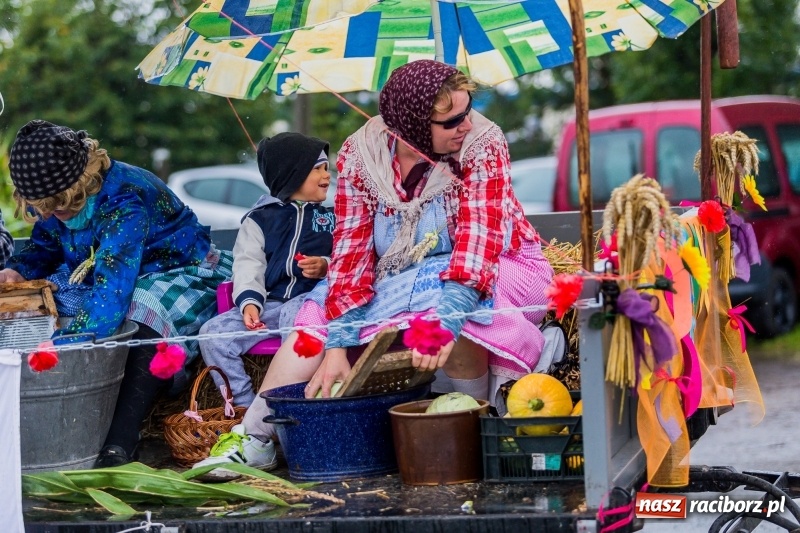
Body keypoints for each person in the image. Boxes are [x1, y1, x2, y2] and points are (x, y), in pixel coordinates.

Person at [193, 59, 554, 476]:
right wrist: (337, 346)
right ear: (413, 125)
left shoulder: (483, 145)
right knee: (318, 311)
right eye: (452, 121)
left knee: (451, 304)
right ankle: (255, 437)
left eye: (467, 111)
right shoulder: (360, 156)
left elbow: (477, 245)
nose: (466, 125)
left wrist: (446, 324)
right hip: (400, 272)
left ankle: (481, 420)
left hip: (500, 262)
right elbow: (351, 255)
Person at [0, 120, 232, 467]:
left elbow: (112, 292)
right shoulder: (54, 194)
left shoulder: (123, 201)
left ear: (78, 187)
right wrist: (19, 270)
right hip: (107, 266)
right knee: (53, 299)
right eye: (42, 210)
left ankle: (121, 438)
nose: (49, 215)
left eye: (57, 209)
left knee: (142, 313)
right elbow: (46, 245)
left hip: (177, 269)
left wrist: (59, 348)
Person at [199, 132, 334, 411]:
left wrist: (325, 265)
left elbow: (348, 258)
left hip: (313, 304)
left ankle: (293, 402)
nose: (326, 175)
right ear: (292, 175)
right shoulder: (260, 219)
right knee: (212, 334)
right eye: (317, 168)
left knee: (294, 318)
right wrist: (249, 302)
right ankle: (245, 407)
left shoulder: (332, 218)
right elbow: (248, 264)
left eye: (326, 167)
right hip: (269, 306)